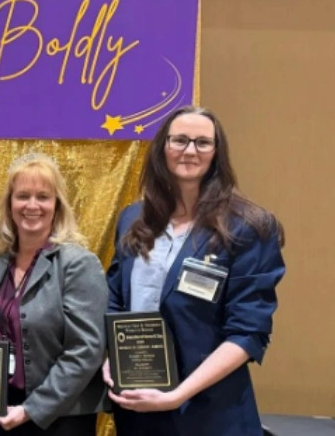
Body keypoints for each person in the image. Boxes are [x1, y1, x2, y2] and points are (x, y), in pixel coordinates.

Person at [104, 106, 286, 436]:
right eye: (180, 140)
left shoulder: (248, 227)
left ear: (217, 153)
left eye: (203, 143)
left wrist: (177, 395)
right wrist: (111, 358)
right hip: (138, 410)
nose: (190, 150)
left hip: (210, 415)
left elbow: (248, 332)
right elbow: (116, 299)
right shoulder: (133, 219)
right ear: (162, 148)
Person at [0, 154, 107, 436]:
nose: (32, 205)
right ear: (9, 205)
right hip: (2, 413)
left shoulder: (78, 264)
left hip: (61, 418)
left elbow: (87, 350)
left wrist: (32, 409)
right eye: (23, 196)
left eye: (43, 196)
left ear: (57, 206)